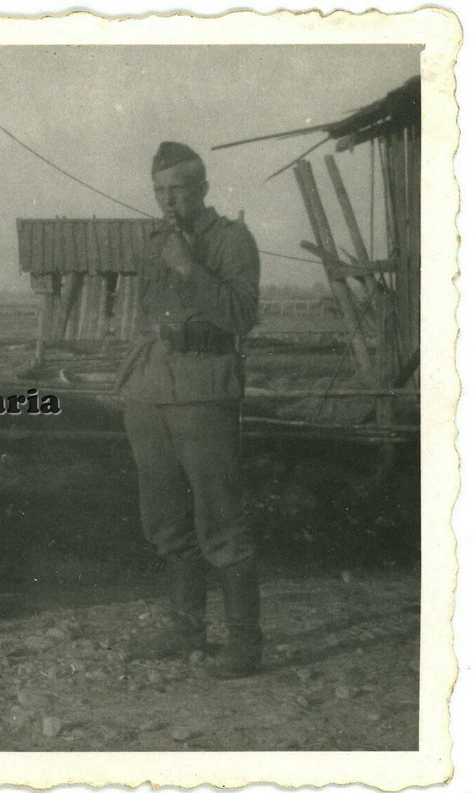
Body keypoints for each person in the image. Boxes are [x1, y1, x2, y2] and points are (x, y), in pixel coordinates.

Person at [117, 142, 262, 679]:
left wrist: (188, 268)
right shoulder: (152, 242)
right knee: (165, 519)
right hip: (150, 390)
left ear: (201, 189)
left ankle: (245, 644)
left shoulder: (231, 240)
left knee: (220, 518)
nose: (167, 200)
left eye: (177, 188)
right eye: (159, 190)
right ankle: (185, 626)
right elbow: (147, 315)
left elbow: (242, 316)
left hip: (204, 391)